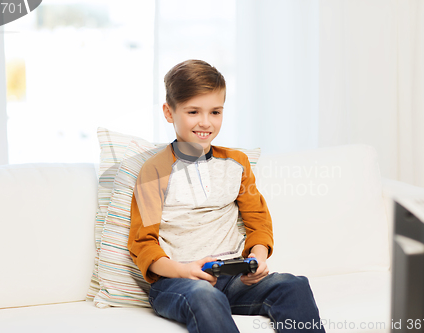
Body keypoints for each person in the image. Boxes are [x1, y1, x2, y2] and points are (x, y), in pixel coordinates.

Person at [127, 59, 325, 333]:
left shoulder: (236, 163)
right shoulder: (154, 171)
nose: (205, 122)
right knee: (206, 296)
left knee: (293, 285)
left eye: (215, 112)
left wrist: (258, 257)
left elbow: (257, 220)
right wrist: (183, 270)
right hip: (178, 283)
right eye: (193, 112)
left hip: (234, 278)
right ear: (169, 112)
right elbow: (143, 243)